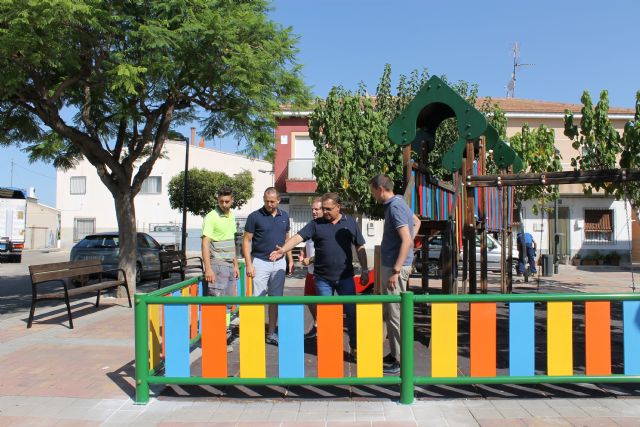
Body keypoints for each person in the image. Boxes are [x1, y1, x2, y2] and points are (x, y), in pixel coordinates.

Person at [269, 192, 368, 358]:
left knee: (351, 313)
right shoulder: (316, 224)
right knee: (327, 314)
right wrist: (283, 250)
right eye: (324, 208)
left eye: (328, 209)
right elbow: (298, 237)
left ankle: (354, 346)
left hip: (345, 277)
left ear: (338, 207)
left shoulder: (350, 222)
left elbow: (360, 246)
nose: (325, 212)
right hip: (323, 279)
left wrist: (364, 269)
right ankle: (330, 348)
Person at [369, 174, 419, 375]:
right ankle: (395, 353)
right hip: (394, 265)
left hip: (394, 267)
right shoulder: (400, 203)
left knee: (395, 314)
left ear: (380, 189)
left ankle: (400, 361)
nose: (373, 195)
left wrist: (397, 268)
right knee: (391, 313)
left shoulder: (395, 207)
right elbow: (416, 222)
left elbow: (407, 239)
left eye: (373, 191)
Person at [242, 187, 294, 345]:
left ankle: (271, 333)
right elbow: (246, 241)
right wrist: (249, 264)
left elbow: (287, 239)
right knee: (258, 298)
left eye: (272, 201)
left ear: (279, 200)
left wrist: (290, 259)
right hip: (260, 262)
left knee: (275, 299)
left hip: (279, 263)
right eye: (266, 201)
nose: (269, 204)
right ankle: (256, 331)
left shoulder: (284, 216)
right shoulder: (254, 217)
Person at [201, 186, 239, 352]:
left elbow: (231, 242)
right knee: (217, 304)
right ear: (217, 199)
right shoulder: (211, 216)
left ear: (232, 200)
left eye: (227, 201)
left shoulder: (232, 215)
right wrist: (208, 268)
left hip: (229, 264)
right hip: (217, 264)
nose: (224, 204)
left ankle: (224, 337)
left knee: (228, 304)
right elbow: (205, 243)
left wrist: (235, 264)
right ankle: (216, 340)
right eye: (221, 201)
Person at [299, 197, 323, 339]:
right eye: (312, 209)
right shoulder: (311, 225)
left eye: (317, 209)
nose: (314, 212)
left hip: (322, 273)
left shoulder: (325, 226)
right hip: (310, 271)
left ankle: (323, 328)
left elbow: (326, 251)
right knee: (309, 299)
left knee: (324, 303)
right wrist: (303, 251)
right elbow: (308, 242)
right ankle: (317, 324)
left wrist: (310, 259)